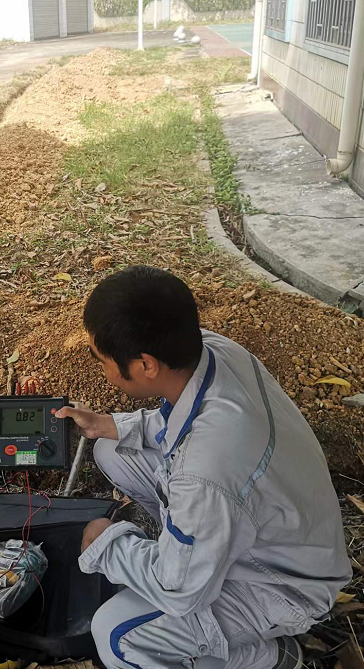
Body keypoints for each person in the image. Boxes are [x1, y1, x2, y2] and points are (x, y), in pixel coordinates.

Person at [56, 265, 351, 669]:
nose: (102, 371)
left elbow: (179, 590)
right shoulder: (213, 351)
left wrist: (107, 544)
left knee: (115, 634)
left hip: (283, 584)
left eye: (102, 360)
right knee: (113, 447)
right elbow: (184, 421)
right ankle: (189, 549)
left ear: (145, 365)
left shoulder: (206, 470)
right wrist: (109, 425)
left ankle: (268, 657)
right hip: (280, 526)